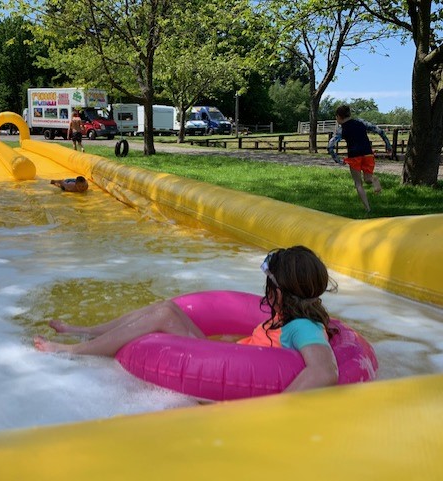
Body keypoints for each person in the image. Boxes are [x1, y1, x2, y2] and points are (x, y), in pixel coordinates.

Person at [34, 246, 340, 393]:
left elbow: (325, 371)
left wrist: (273, 411)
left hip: (228, 373)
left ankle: (71, 351)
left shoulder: (302, 326)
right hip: (223, 354)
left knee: (165, 314)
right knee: (165, 306)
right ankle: (89, 332)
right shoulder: (287, 317)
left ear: (278, 290)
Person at [327, 104, 393, 213]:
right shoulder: (361, 122)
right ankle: (374, 180)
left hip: (354, 156)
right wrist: (388, 145)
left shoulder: (341, 130)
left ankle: (367, 208)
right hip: (368, 154)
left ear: (339, 116)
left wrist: (338, 160)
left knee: (358, 183)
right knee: (367, 179)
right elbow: (379, 131)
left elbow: (330, 145)